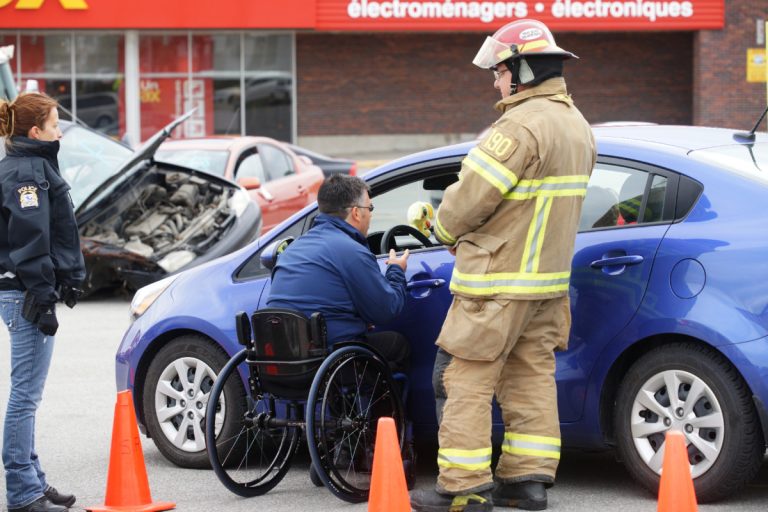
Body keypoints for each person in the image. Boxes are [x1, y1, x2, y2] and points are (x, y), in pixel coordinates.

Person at [410, 19, 596, 512]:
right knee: (530, 376)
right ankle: (526, 481)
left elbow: (469, 200)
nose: (495, 83)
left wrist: (443, 232)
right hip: (548, 287)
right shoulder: (578, 126)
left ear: (521, 71)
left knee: (460, 378)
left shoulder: (518, 126)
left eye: (499, 72)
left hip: (495, 284)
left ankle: (463, 488)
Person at [0, 93, 85, 512]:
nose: (60, 131)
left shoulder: (32, 165)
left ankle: (33, 481)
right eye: (54, 124)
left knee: (27, 394)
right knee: (25, 396)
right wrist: (45, 295)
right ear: (35, 132)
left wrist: (66, 279)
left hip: (27, 292)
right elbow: (31, 242)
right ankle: (23, 493)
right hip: (26, 295)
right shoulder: (25, 173)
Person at [266, 173, 411, 373]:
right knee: (397, 344)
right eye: (370, 208)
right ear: (357, 213)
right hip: (334, 358)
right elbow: (386, 310)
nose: (371, 214)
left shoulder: (293, 249)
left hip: (288, 360)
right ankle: (383, 405)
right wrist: (396, 270)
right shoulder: (352, 251)